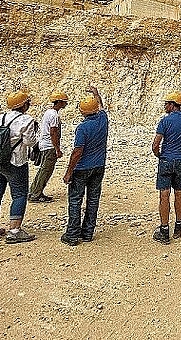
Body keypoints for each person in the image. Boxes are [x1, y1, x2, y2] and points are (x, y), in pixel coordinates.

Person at [0, 90, 39, 244]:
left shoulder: (1, 117)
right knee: (19, 194)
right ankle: (14, 231)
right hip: (14, 161)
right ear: (24, 105)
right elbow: (29, 142)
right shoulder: (26, 120)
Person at [61, 86, 108, 246]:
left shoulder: (82, 128)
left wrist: (69, 172)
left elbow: (77, 152)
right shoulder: (103, 119)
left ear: (82, 112)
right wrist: (96, 94)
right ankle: (88, 233)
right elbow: (100, 105)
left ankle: (72, 234)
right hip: (99, 166)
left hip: (82, 168)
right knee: (93, 200)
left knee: (75, 200)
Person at [152, 91, 181, 244]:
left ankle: (164, 230)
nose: (165, 106)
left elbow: (155, 145)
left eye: (166, 104)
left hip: (166, 161)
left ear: (172, 105)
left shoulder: (165, 121)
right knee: (179, 194)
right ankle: (179, 225)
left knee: (164, 195)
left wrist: (159, 155)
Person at [28, 90, 68, 203]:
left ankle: (33, 192)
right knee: (45, 171)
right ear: (59, 102)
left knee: (43, 170)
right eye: (64, 101)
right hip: (49, 147)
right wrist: (57, 149)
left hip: (44, 145)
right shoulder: (54, 115)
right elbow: (53, 133)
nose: (66, 103)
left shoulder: (48, 112)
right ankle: (36, 194)